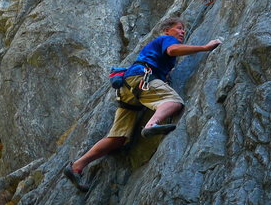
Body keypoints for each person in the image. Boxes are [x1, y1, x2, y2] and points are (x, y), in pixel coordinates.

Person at [63, 16, 222, 191]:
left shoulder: (155, 47)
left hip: (127, 88)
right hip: (142, 79)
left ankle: (77, 165)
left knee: (118, 138)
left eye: (183, 29)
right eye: (179, 28)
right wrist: (204, 47)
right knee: (173, 101)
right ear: (167, 30)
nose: (182, 31)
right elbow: (172, 50)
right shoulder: (165, 39)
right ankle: (152, 124)